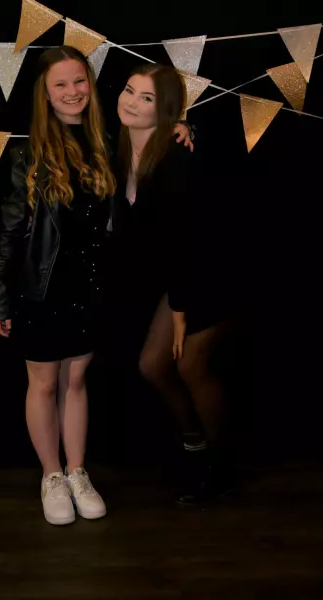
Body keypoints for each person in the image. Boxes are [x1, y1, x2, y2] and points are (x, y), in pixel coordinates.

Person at [0, 46, 192, 525]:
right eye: (60, 84)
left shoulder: (105, 143)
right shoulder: (26, 153)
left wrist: (183, 126)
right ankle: (51, 475)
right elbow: (9, 234)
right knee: (43, 385)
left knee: (76, 381)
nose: (72, 91)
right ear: (44, 93)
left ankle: (77, 471)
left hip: (90, 287)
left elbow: (151, 139)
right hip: (39, 290)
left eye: (79, 81)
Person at [110, 63, 234, 506]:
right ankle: (193, 446)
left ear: (164, 111)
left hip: (212, 276)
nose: (131, 102)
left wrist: (180, 311)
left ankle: (220, 469)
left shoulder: (176, 158)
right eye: (129, 90)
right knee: (151, 366)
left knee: (189, 366)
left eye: (146, 98)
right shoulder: (119, 149)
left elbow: (188, 242)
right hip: (181, 279)